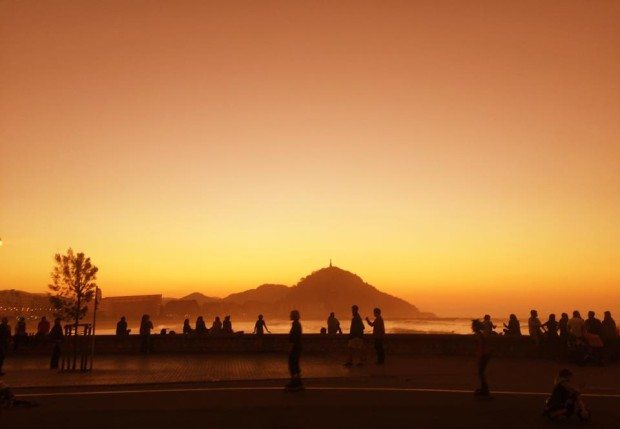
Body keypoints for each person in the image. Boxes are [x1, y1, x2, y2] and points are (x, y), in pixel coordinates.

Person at [472, 319, 492, 397]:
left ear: (476, 327)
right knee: (481, 373)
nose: (472, 327)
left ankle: (485, 390)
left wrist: (480, 358)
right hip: (486, 354)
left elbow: (481, 347)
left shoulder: (479, 335)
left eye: (473, 326)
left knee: (481, 373)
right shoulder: (480, 334)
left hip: (484, 355)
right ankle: (484, 389)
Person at [285, 309, 303, 391]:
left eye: (291, 314)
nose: (290, 316)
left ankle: (294, 381)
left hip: (295, 347)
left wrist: (290, 347)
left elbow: (294, 338)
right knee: (295, 363)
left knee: (292, 363)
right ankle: (298, 381)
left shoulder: (296, 325)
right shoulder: (297, 324)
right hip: (297, 347)